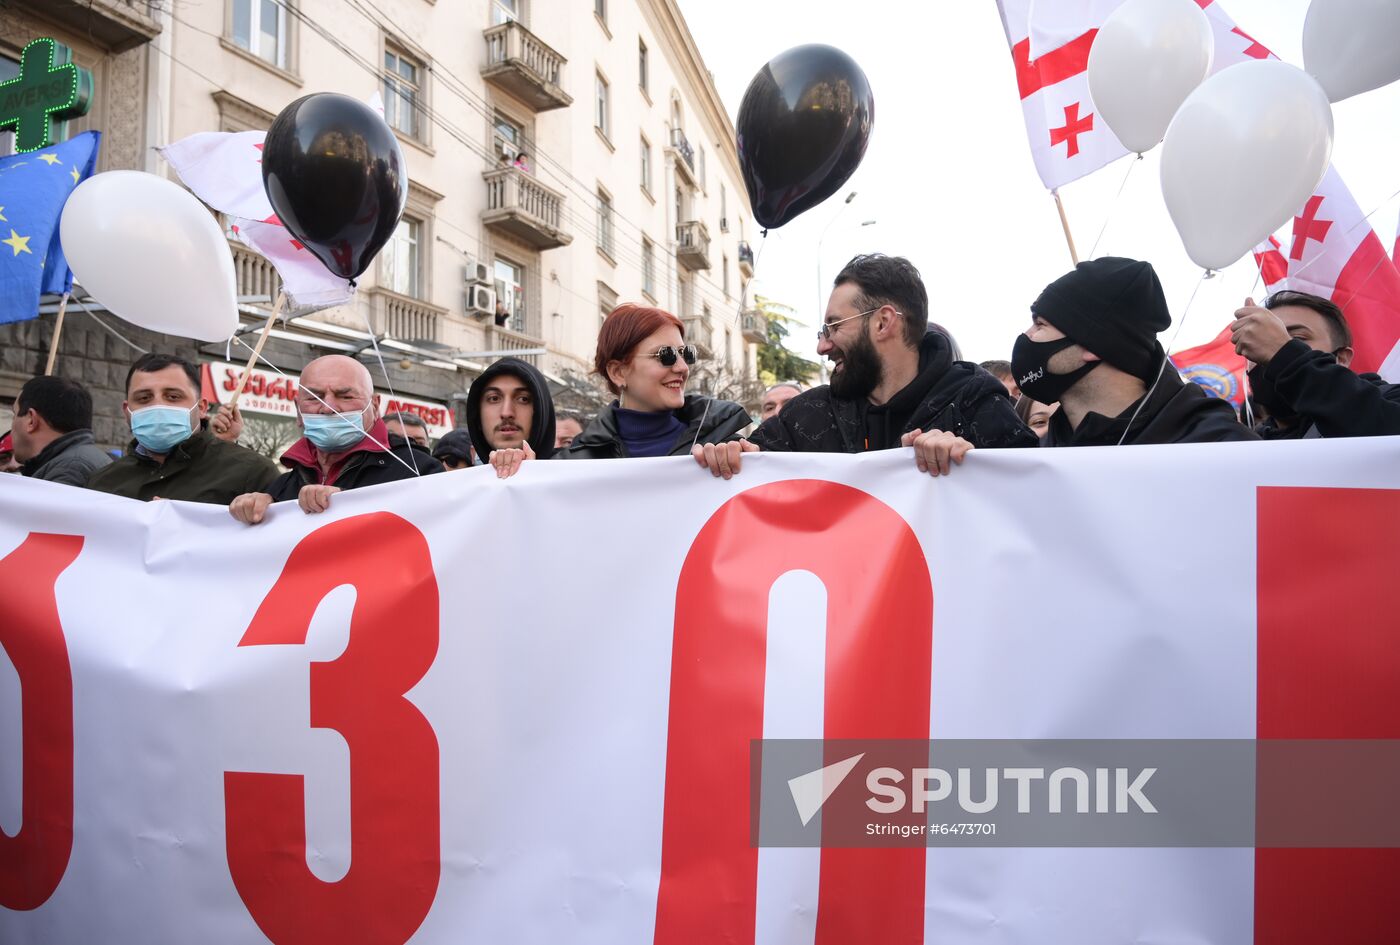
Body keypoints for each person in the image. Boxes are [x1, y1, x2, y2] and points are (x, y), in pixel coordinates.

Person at [723, 254, 1035, 478]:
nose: (822, 346)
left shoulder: (974, 401)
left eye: (833, 326)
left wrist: (970, 461)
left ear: (883, 322)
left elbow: (1033, 492)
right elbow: (748, 473)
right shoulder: (805, 415)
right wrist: (727, 459)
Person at [1013, 257, 1257, 447]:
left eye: (1040, 324)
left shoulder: (1219, 447)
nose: (1028, 334)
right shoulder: (1041, 453)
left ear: (1091, 345)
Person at [228, 355, 434, 524]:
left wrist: (345, 504)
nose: (327, 408)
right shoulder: (282, 485)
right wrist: (262, 508)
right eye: (313, 397)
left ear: (375, 405)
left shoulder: (419, 470)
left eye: (345, 396)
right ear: (298, 409)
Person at [559, 304, 750, 461]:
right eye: (666, 355)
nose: (683, 367)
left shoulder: (724, 448)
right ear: (618, 372)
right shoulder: (574, 463)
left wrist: (745, 464)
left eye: (686, 354)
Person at [88, 353, 279, 502]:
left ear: (202, 407)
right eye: (144, 398)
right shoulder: (101, 483)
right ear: (126, 410)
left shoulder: (252, 474)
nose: (157, 406)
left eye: (173, 397)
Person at [1230, 291, 1400, 438]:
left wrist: (1285, 353)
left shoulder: (1390, 402)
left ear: (1341, 358)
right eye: (1258, 340)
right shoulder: (1246, 446)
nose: (1267, 349)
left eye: (1296, 339)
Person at [464, 356, 557, 478]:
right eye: (494, 399)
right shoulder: (453, 489)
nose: (506, 413)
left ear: (541, 411)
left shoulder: (573, 479)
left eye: (523, 399)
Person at [9, 376, 111, 485]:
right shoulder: (76, 461)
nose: (11, 429)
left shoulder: (70, 469)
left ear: (31, 420)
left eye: (14, 415)